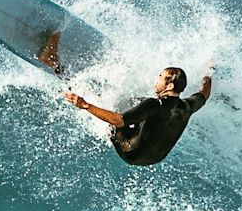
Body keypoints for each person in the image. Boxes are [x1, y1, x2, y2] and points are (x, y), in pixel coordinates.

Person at [63, 66, 213, 166]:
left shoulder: (154, 104)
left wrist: (85, 105)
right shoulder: (188, 106)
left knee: (113, 119)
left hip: (131, 152)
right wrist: (208, 72)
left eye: (160, 77)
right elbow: (204, 93)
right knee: (137, 104)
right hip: (155, 158)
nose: (157, 81)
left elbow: (118, 121)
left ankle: (57, 67)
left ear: (170, 86)